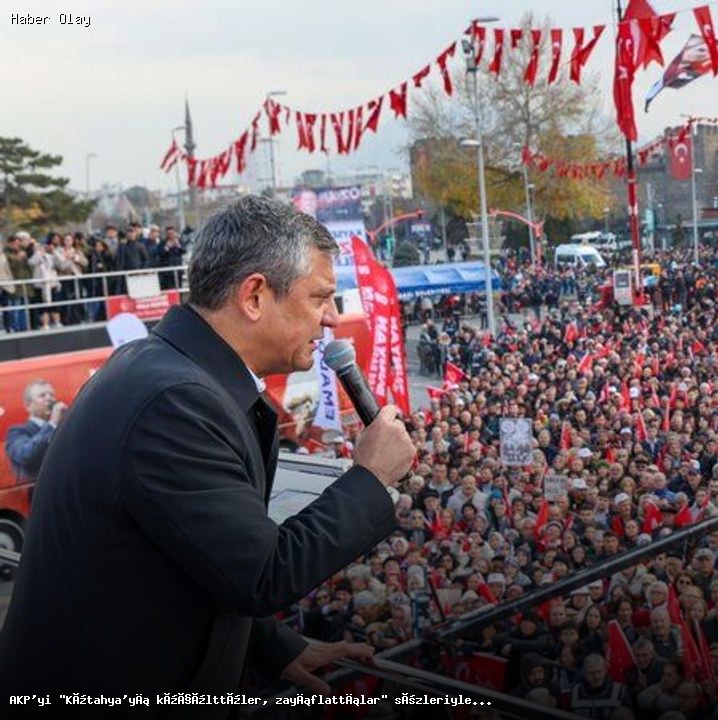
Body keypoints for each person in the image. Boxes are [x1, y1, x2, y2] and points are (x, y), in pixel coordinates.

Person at [0, 196, 417, 709]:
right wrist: (370, 478)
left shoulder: (162, 369)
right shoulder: (176, 402)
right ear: (255, 296)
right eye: (319, 298)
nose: (330, 319)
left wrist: (273, 646)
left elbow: (195, 552)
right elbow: (262, 573)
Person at [4, 380, 65, 484]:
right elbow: (26, 455)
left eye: (51, 394)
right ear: (28, 406)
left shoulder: (60, 427)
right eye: (42, 395)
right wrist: (52, 423)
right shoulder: (17, 432)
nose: (49, 398)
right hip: (39, 494)